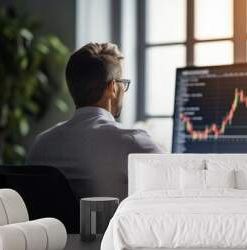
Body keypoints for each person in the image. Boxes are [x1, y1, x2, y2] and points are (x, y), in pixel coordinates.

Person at [27, 42, 161, 201]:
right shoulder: (132, 142)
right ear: (112, 87)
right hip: (113, 227)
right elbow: (177, 189)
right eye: (122, 84)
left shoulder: (41, 144)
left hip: (54, 227)